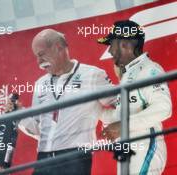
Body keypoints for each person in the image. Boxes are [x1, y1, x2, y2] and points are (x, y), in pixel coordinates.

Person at [6, 28, 116, 175]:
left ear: (59, 48)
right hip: (43, 159)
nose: (38, 61)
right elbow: (40, 130)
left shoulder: (92, 75)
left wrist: (118, 125)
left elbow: (122, 104)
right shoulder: (40, 83)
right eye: (36, 57)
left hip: (74, 158)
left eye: (41, 55)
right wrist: (19, 115)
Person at [98, 20, 172, 174]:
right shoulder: (128, 76)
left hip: (145, 147)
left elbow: (164, 108)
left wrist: (122, 126)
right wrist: (93, 110)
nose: (110, 51)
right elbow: (122, 115)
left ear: (124, 45)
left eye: (111, 45)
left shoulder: (149, 69)